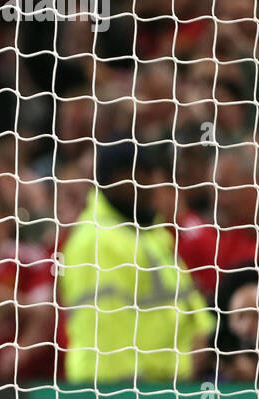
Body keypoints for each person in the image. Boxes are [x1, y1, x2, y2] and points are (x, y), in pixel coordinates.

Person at [58, 140, 215, 385]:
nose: (154, 184)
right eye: (145, 175)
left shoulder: (149, 234)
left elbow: (186, 299)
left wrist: (203, 337)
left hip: (168, 384)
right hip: (123, 394)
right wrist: (131, 393)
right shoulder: (98, 240)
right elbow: (106, 331)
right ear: (119, 180)